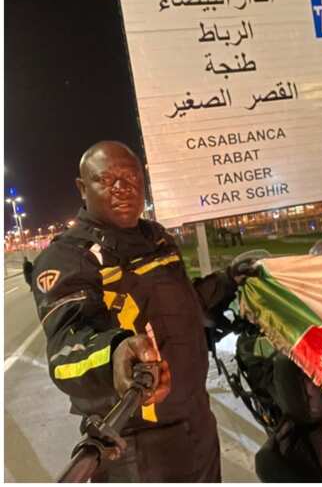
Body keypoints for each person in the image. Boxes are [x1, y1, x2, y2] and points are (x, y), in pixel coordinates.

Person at [29, 141, 254, 481]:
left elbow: (184, 307)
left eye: (131, 177)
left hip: (197, 422)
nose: (123, 188)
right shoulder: (67, 258)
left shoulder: (157, 238)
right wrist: (115, 352)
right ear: (82, 188)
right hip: (134, 442)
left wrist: (227, 280)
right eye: (106, 179)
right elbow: (64, 352)